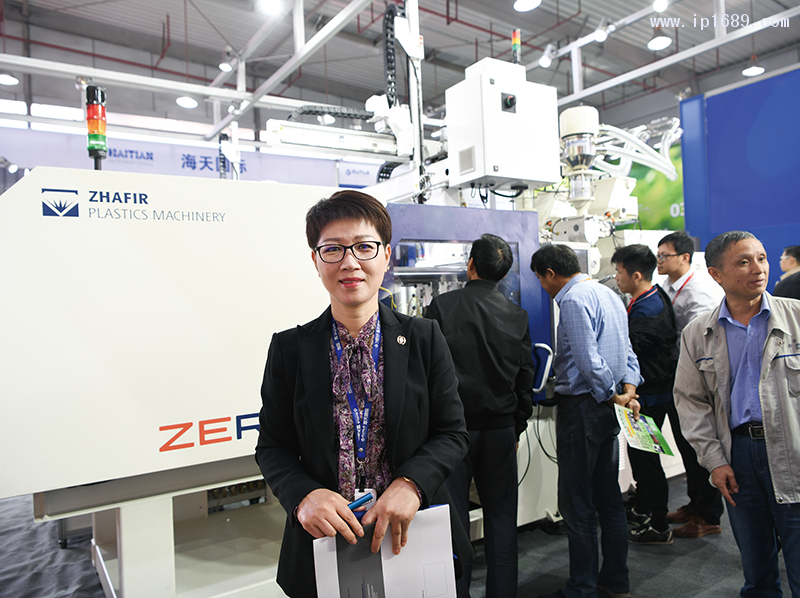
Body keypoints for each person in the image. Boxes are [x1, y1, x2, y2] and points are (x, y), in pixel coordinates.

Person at [254, 189, 471, 597]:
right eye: (333, 249)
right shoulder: (289, 350)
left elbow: (452, 432)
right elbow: (272, 447)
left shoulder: (424, 338)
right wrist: (303, 497)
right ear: (315, 260)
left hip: (412, 532)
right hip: (325, 541)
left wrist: (412, 484)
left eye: (364, 247)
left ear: (386, 256)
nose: (350, 262)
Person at [674, 230, 800, 598]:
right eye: (743, 262)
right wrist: (714, 461)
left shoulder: (796, 318)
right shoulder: (698, 333)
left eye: (761, 258)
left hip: (793, 448)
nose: (758, 269)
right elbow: (691, 402)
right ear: (716, 274)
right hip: (738, 455)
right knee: (756, 563)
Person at [426, 233, 535, 598]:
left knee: (453, 524)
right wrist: (517, 426)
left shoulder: (441, 307)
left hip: (451, 435)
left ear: (470, 264)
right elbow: (525, 375)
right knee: (502, 521)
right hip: (501, 429)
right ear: (503, 273)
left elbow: (425, 374)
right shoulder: (517, 314)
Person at [530, 243, 642, 598]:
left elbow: (587, 359)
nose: (543, 287)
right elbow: (627, 350)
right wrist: (628, 389)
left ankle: (582, 587)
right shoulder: (610, 295)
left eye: (540, 279)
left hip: (584, 407)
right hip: (609, 406)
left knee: (576, 502)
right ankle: (616, 579)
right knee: (608, 498)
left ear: (551, 274)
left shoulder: (573, 299)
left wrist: (610, 393)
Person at [655, 231, 725, 538]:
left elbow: (706, 343)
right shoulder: (668, 287)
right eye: (658, 255)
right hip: (677, 374)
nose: (659, 261)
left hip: (699, 380)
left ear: (685, 257)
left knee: (699, 447)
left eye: (664, 256)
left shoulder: (699, 292)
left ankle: (708, 515)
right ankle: (696, 505)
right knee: (686, 447)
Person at [612, 244, 678, 546]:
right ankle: (643, 508)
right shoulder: (650, 297)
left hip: (649, 396)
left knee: (646, 461)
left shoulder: (647, 310)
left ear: (636, 275)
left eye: (619, 272)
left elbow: (633, 351)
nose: (616, 277)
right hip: (655, 391)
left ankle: (659, 524)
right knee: (642, 458)